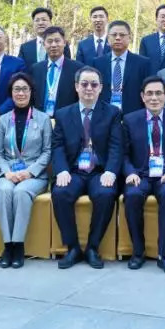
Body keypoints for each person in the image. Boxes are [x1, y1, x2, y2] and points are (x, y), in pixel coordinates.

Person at [51, 66, 123, 269]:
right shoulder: (63, 114)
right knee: (60, 192)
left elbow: (116, 146)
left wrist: (111, 171)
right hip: (73, 171)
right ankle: (73, 248)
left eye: (93, 84)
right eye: (84, 84)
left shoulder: (112, 113)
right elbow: (57, 146)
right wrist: (62, 170)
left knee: (106, 194)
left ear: (101, 88)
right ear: (76, 87)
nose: (89, 88)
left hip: (99, 171)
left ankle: (92, 247)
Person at [121, 76, 165, 274]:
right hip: (140, 175)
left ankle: (164, 255)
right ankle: (138, 252)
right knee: (133, 195)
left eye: (158, 93)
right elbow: (123, 154)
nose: (154, 98)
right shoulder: (130, 120)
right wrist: (130, 173)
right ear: (142, 96)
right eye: (149, 93)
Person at [0, 73, 51, 268]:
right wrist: (7, 172)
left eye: (25, 89)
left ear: (31, 92)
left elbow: (47, 151)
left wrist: (29, 172)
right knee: (4, 191)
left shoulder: (43, 119)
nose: (21, 93)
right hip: (7, 172)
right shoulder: (3, 120)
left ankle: (18, 245)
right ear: (11, 93)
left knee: (21, 192)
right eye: (17, 89)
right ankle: (7, 245)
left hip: (34, 174)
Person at [93, 20, 151, 115]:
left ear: (129, 38)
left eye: (122, 35)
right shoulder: (97, 63)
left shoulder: (143, 63)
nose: (118, 38)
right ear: (108, 38)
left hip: (133, 114)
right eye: (114, 35)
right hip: (104, 114)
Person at [30, 26, 84, 117]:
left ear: (64, 43)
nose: (53, 45)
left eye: (57, 41)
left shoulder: (77, 69)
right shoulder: (36, 69)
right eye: (49, 41)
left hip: (66, 119)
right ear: (44, 44)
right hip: (40, 119)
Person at [138, 3, 165, 74]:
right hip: (150, 80)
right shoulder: (146, 41)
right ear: (156, 19)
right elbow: (141, 65)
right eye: (162, 17)